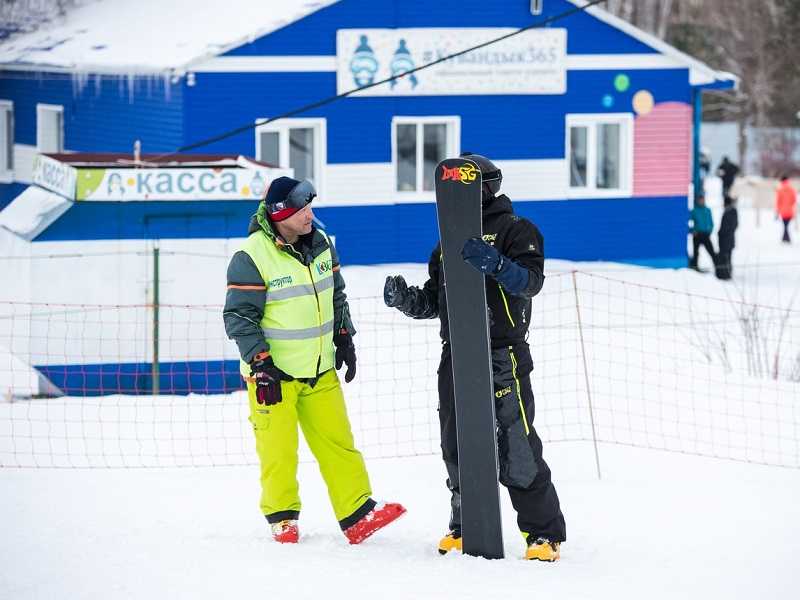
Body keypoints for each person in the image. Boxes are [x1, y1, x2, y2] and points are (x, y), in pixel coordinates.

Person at [383, 154, 566, 562]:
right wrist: (407, 300)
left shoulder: (517, 230)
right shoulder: (446, 239)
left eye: (465, 187)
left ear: (487, 188)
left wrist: (497, 264)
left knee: (515, 443)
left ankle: (542, 532)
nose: (457, 196)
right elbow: (436, 299)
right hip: (457, 354)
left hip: (503, 353)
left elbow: (530, 283)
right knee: (457, 441)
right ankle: (466, 526)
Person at [223, 176, 405, 545]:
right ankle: (283, 519)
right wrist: (260, 363)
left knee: (338, 442)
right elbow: (239, 317)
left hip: (319, 368)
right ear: (281, 214)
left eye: (310, 206)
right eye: (302, 209)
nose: (310, 214)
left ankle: (357, 513)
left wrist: (344, 337)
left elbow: (336, 295)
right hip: (272, 376)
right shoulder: (252, 256)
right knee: (278, 450)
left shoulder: (321, 244)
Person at [689, 195, 716, 270]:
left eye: (702, 199)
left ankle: (718, 268)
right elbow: (687, 221)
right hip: (697, 234)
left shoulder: (707, 210)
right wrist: (692, 230)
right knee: (696, 253)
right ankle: (694, 267)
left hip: (706, 234)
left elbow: (711, 222)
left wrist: (710, 230)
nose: (701, 201)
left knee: (712, 252)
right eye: (699, 200)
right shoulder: (694, 211)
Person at [715, 195, 738, 280]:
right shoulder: (730, 211)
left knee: (727, 256)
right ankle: (726, 273)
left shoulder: (731, 211)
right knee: (726, 256)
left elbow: (732, 226)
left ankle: (726, 273)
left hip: (727, 239)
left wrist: (722, 233)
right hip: (726, 239)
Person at [775, 175, 797, 243]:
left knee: (785, 225)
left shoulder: (780, 190)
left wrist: (777, 211)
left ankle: (785, 238)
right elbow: (794, 200)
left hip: (782, 210)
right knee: (786, 225)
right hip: (790, 210)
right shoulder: (792, 189)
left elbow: (778, 201)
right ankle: (785, 238)